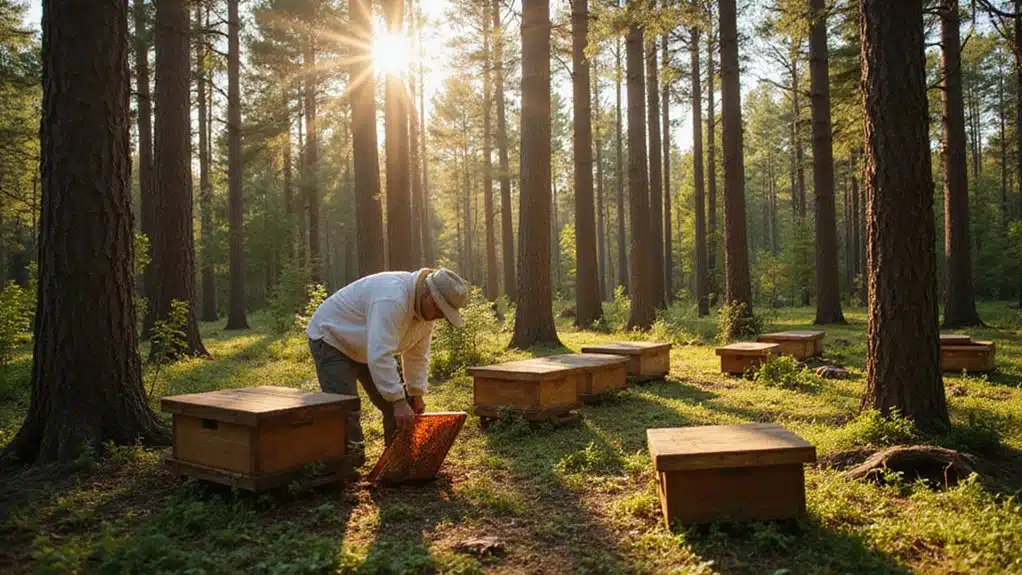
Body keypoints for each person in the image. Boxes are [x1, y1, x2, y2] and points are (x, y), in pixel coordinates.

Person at [306, 267, 468, 462]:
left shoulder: (426, 313)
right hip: (332, 338)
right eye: (438, 309)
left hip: (367, 345)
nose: (438, 316)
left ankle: (397, 460)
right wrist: (397, 400)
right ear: (426, 293)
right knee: (346, 410)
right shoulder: (393, 298)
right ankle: (346, 467)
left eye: (444, 314)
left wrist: (416, 394)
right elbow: (380, 352)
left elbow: (417, 355)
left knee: (404, 407)